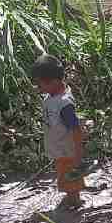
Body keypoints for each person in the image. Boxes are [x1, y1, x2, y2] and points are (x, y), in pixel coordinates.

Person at [30, 55, 86, 211]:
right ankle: (71, 200)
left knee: (70, 180)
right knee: (64, 177)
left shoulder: (64, 104)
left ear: (53, 82)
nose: (37, 86)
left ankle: (74, 203)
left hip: (67, 151)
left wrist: (78, 154)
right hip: (59, 149)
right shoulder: (51, 96)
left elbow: (75, 129)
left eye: (39, 83)